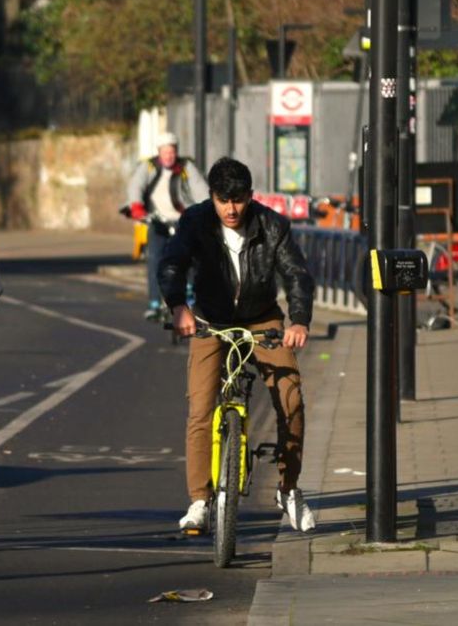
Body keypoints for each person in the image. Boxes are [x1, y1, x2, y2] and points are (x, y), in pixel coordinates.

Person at [158, 157, 317, 533]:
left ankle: (288, 489)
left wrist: (299, 320)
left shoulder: (272, 225)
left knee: (290, 398)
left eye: (239, 200)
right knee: (200, 408)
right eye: (223, 200)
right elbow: (172, 263)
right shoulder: (196, 222)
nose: (231, 209)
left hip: (263, 318)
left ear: (250, 196)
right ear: (211, 196)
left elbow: (297, 274)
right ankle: (199, 499)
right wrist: (178, 306)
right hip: (211, 320)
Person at [125, 132, 207, 320]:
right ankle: (154, 302)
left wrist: (203, 210)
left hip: (182, 220)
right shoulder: (149, 166)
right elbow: (135, 186)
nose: (169, 156)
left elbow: (200, 189)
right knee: (155, 259)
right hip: (158, 220)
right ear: (159, 153)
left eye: (172, 151)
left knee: (191, 259)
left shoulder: (186, 166)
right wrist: (136, 206)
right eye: (165, 152)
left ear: (176, 151)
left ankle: (190, 296)